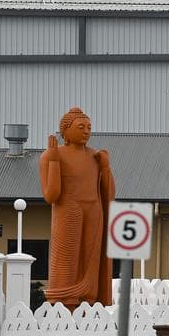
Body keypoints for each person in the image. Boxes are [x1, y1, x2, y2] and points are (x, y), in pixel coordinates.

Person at [38, 107, 116, 308]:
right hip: (69, 209)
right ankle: (65, 300)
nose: (86, 131)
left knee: (91, 258)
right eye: (81, 127)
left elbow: (110, 195)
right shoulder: (52, 155)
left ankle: (89, 299)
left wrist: (105, 168)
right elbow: (52, 195)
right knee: (67, 259)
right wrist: (54, 160)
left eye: (89, 127)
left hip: (94, 209)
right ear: (65, 130)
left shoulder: (94, 156)